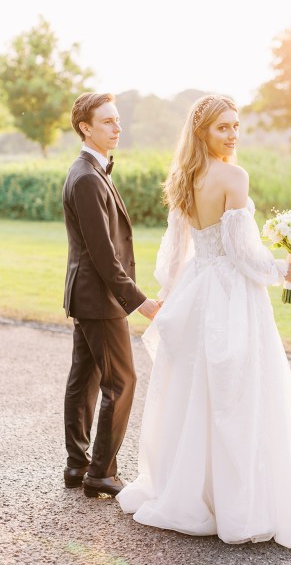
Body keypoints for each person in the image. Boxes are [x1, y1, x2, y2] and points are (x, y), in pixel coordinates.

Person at [117, 95, 291, 551]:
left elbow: (177, 249)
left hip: (198, 291)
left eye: (236, 126)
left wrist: (170, 292)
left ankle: (193, 492)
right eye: (223, 128)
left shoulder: (184, 177)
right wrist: (281, 270)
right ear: (202, 132)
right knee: (239, 392)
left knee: (199, 391)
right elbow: (243, 254)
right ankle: (239, 503)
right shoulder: (234, 176)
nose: (233, 135)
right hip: (232, 296)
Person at [62, 92, 160, 498]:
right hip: (98, 298)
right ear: (86, 127)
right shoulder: (86, 177)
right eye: (107, 121)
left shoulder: (90, 170)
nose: (117, 127)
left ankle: (77, 465)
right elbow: (102, 254)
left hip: (87, 296)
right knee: (122, 380)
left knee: (84, 378)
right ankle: (101, 472)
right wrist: (139, 301)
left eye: (117, 120)